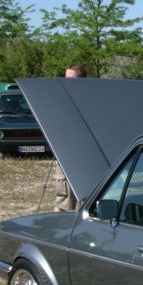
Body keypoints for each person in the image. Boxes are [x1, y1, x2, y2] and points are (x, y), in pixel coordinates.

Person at [49, 64, 86, 212]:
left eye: (72, 79)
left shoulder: (91, 100)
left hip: (86, 158)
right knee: (63, 204)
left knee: (88, 206)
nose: (67, 82)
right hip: (66, 156)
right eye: (66, 78)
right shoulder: (61, 100)